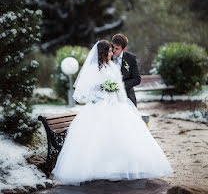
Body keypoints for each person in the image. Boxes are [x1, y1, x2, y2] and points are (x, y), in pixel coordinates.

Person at [52, 40, 173, 186]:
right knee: (98, 140)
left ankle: (118, 168)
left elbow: (120, 88)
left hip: (116, 106)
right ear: (103, 52)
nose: (112, 53)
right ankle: (99, 170)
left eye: (112, 50)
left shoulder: (113, 67)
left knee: (122, 137)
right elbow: (83, 95)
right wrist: (104, 92)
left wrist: (118, 96)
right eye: (109, 51)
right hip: (98, 109)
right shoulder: (92, 69)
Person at [112, 34, 141, 106]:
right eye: (113, 47)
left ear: (124, 49)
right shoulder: (107, 56)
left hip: (127, 95)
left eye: (117, 49)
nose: (113, 50)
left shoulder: (131, 58)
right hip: (109, 97)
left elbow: (137, 79)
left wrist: (121, 85)